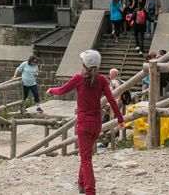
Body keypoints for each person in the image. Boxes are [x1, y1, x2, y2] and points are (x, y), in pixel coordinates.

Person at [49, 49, 124, 195]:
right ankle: (81, 184)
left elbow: (62, 90)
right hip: (97, 124)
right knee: (86, 155)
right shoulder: (102, 80)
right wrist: (120, 119)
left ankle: (90, 191)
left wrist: (51, 90)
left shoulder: (79, 78)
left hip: (83, 124)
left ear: (84, 63)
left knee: (86, 159)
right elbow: (112, 101)